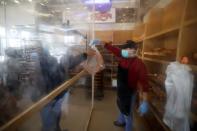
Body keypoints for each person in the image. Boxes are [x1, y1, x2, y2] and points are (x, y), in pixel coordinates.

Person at [39, 45, 93, 131]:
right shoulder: (49, 61)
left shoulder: (46, 61)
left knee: (54, 117)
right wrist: (84, 55)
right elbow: (65, 64)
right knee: (50, 121)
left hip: (52, 95)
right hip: (48, 97)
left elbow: (65, 65)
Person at [102, 40, 149, 131]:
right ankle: (121, 121)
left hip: (130, 92)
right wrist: (102, 43)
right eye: (125, 50)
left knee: (128, 112)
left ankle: (128, 128)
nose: (125, 52)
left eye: (128, 50)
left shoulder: (139, 64)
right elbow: (113, 49)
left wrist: (145, 101)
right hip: (120, 89)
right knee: (120, 105)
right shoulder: (123, 57)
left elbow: (145, 84)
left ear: (134, 50)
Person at [163, 56, 194, 131]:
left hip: (182, 108)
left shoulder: (188, 74)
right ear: (181, 60)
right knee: (175, 121)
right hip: (175, 105)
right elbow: (169, 83)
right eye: (184, 59)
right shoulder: (175, 69)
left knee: (179, 121)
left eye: (187, 60)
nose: (185, 61)